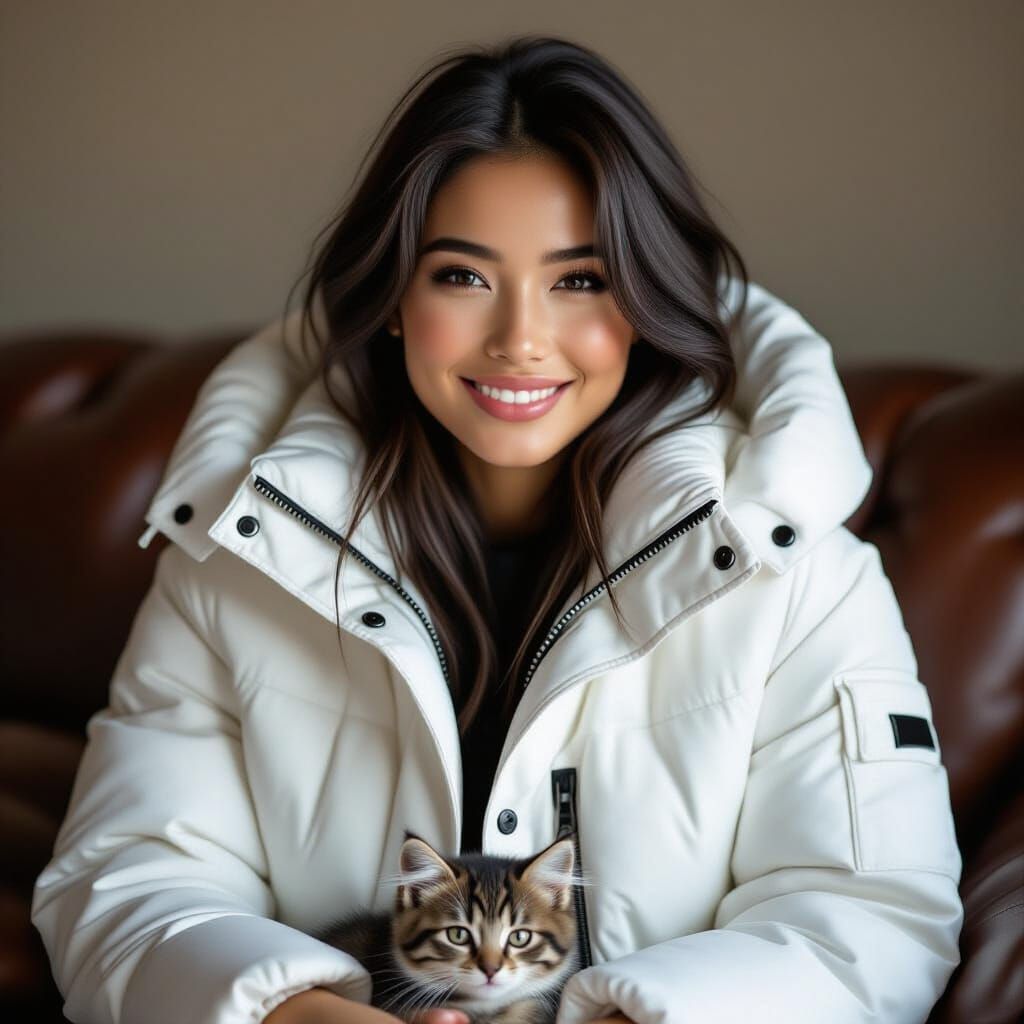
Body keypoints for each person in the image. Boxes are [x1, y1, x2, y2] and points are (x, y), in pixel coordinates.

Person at [32, 34, 963, 1024]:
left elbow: (867, 919)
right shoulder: (239, 547)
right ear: (394, 297)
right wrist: (299, 1016)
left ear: (644, 301)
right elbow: (126, 885)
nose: (519, 337)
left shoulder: (795, 569)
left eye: (580, 279)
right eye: (462, 276)